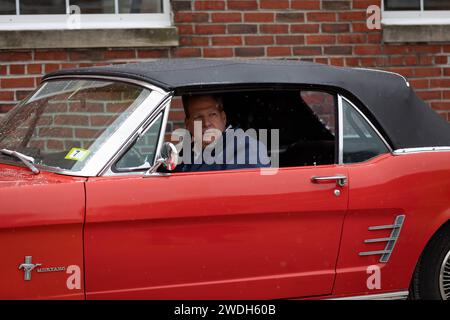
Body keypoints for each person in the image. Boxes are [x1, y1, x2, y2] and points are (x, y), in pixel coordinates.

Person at [171, 94, 270, 172]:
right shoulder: (185, 152)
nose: (206, 123)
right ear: (187, 124)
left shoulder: (245, 148)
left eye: (212, 115)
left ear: (223, 118)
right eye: (198, 117)